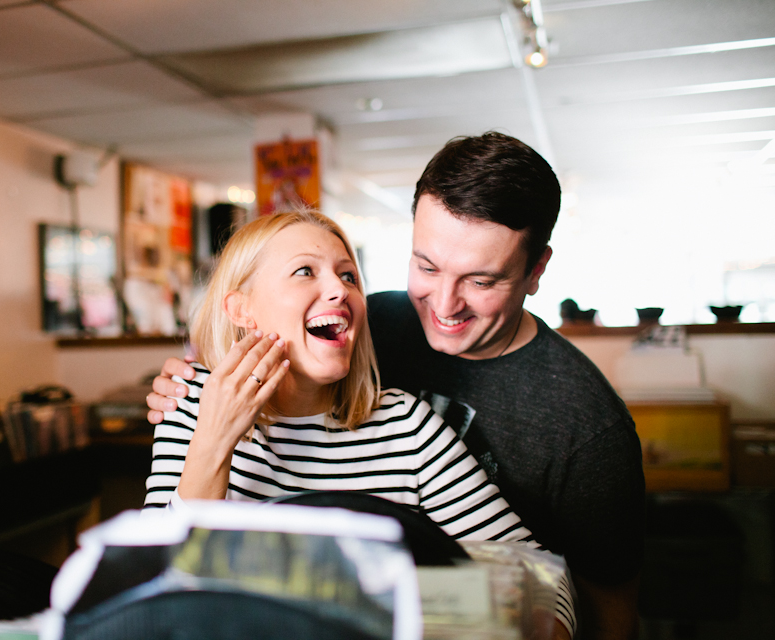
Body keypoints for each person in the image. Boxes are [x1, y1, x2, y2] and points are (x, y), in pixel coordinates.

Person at [147, 133, 644, 640]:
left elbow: (552, 583)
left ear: (536, 270)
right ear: (240, 308)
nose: (444, 305)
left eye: (481, 280)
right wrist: (208, 431)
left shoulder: (426, 423)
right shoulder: (192, 403)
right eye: (426, 267)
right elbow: (151, 591)